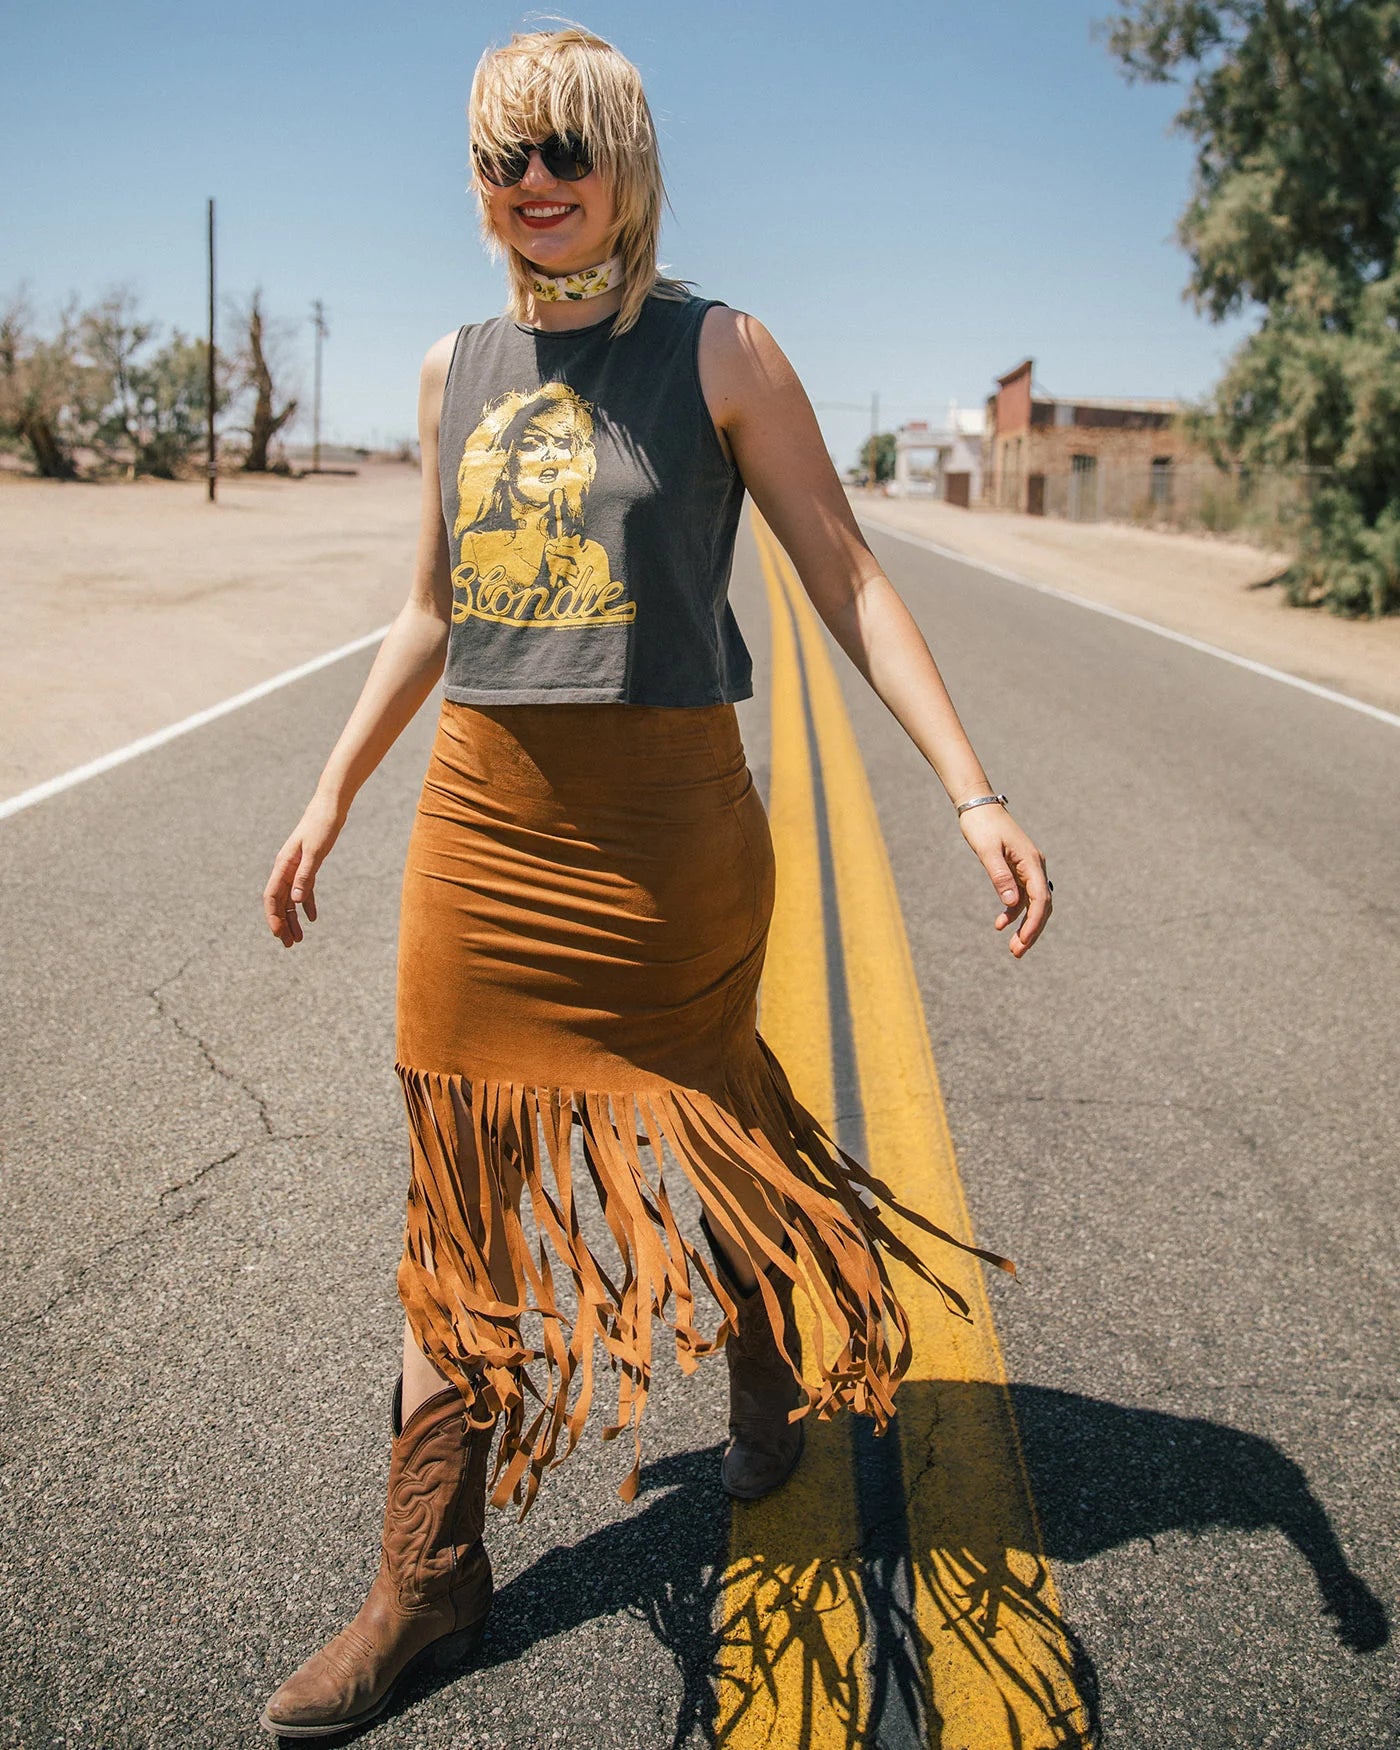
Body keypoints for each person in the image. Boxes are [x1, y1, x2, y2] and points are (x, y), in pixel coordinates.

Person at [256, 21, 1052, 1741]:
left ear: (624, 161)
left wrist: (972, 788)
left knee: (712, 1118)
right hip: (486, 829)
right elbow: (429, 608)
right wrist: (328, 794)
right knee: (456, 1200)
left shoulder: (720, 350)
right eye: (502, 159)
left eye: (565, 153)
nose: (532, 186)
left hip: (674, 836)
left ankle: (769, 1349)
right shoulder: (446, 368)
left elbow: (844, 577)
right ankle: (426, 1579)